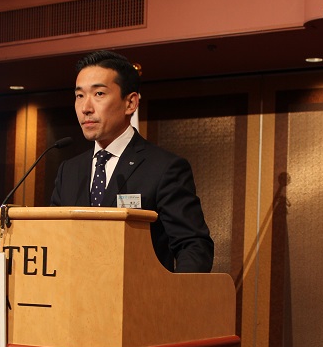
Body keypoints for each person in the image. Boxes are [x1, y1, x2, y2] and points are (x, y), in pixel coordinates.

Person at [50, 50, 214, 273]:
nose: (86, 108)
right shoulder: (69, 170)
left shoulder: (164, 168)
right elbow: (53, 241)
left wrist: (172, 294)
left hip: (140, 293)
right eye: (79, 95)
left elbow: (194, 246)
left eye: (99, 94)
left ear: (130, 103)